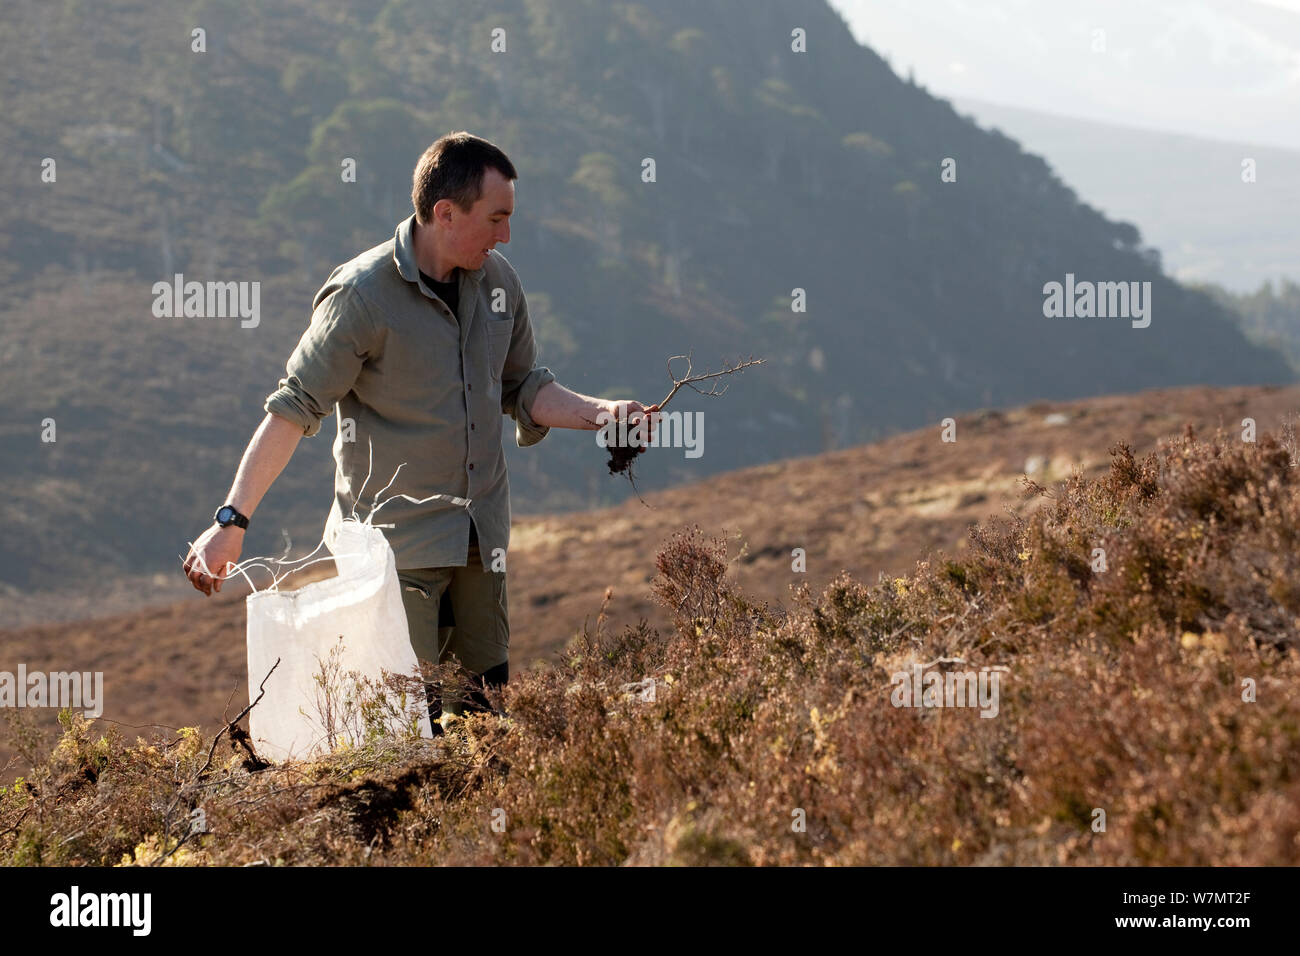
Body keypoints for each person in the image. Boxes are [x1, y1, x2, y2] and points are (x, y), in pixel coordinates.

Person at [182, 131, 657, 730]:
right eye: (497, 218)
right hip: (393, 551)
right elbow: (292, 408)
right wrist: (232, 522)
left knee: (486, 717)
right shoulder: (361, 297)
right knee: (409, 725)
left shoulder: (500, 284)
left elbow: (523, 387)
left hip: (481, 543)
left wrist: (604, 414)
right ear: (445, 213)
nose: (506, 234)